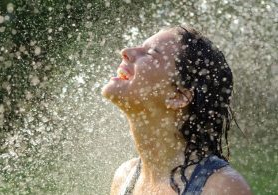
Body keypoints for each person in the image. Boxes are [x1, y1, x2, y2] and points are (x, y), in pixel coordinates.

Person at [101, 26, 252, 195]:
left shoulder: (220, 187)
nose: (126, 51)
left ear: (178, 96)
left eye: (150, 53)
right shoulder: (125, 177)